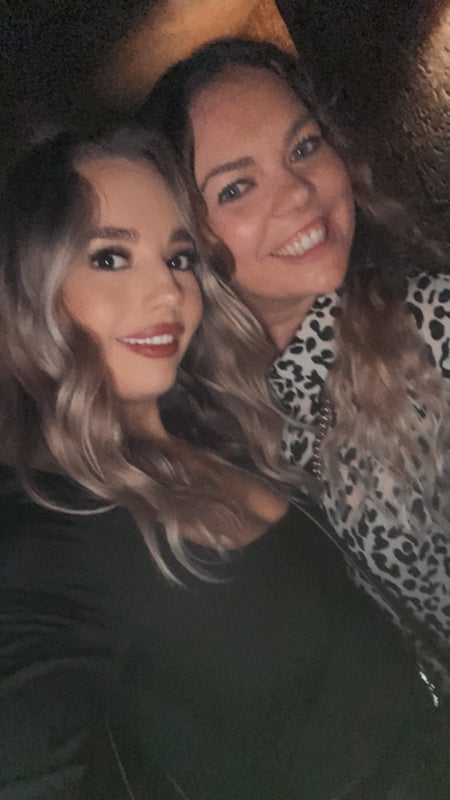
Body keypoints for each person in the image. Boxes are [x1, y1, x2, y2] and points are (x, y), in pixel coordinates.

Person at [0, 124, 449, 800]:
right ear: (27, 286)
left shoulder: (213, 427)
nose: (168, 293)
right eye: (111, 258)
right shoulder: (44, 531)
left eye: (179, 257)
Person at [138, 38, 450, 677]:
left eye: (304, 147)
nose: (300, 193)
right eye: (237, 188)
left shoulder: (431, 325)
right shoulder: (200, 422)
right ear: (183, 238)